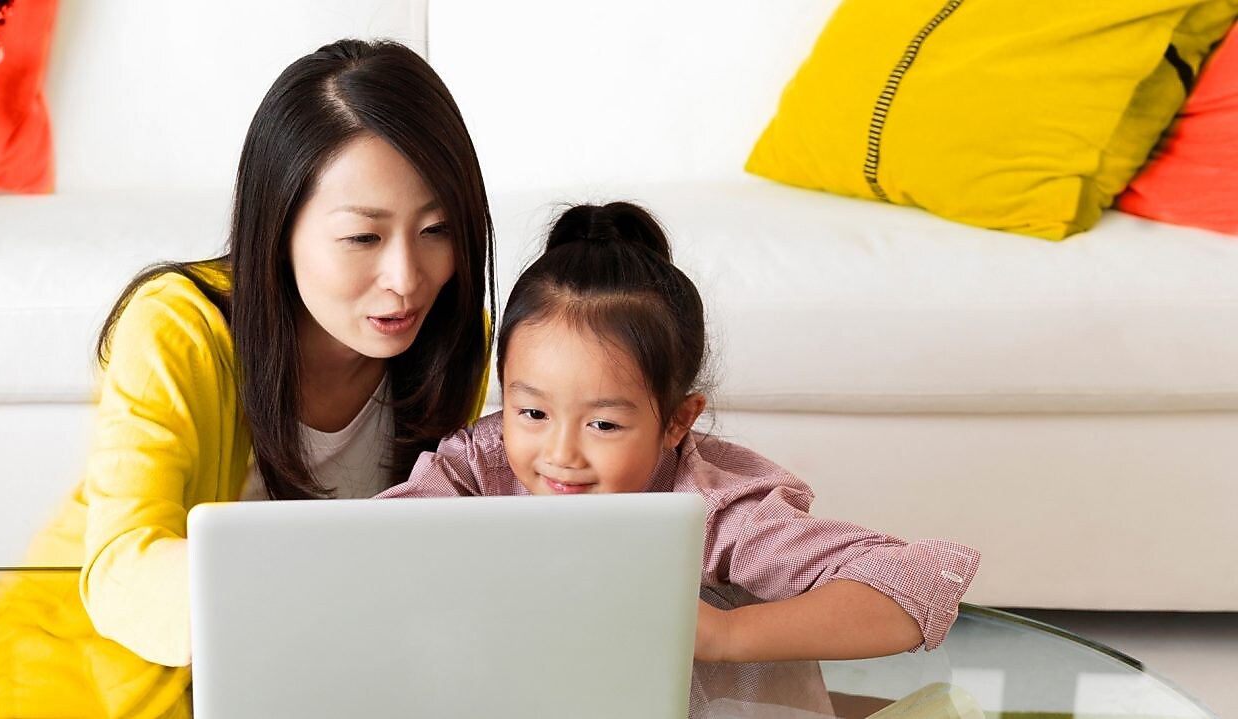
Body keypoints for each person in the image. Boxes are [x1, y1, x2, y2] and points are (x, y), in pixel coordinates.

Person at [0, 39, 495, 718]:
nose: (408, 278)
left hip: (292, 677)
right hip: (89, 663)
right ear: (279, 227)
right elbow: (124, 564)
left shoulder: (451, 338)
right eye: (363, 237)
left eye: (438, 229)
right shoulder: (177, 328)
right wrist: (315, 604)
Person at [378, 202, 980, 664]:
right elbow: (369, 555)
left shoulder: (709, 505)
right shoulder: (479, 464)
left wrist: (723, 634)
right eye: (531, 413)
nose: (559, 455)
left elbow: (912, 585)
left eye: (604, 424)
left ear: (676, 421)